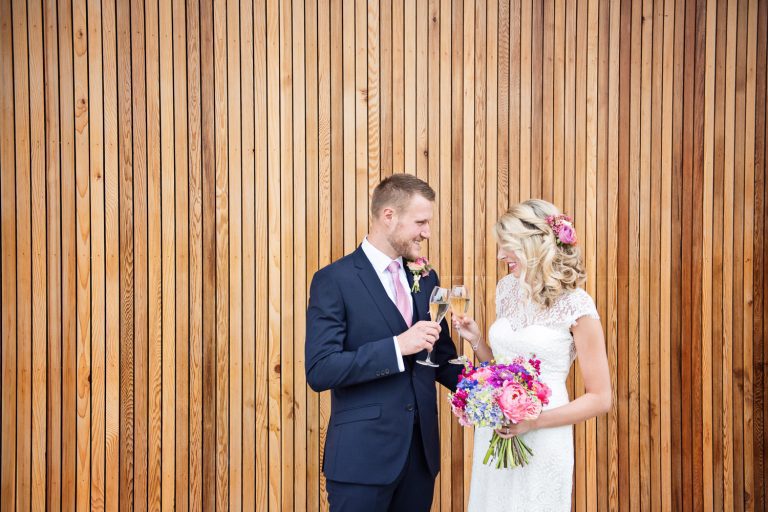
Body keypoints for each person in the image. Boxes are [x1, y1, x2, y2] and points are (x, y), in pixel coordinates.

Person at [305, 173, 463, 512]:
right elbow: (320, 370)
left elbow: (442, 358)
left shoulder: (427, 276)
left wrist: (495, 393)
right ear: (388, 216)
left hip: (420, 460)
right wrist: (396, 347)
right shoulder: (334, 280)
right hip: (361, 461)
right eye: (421, 222)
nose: (427, 232)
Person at [454, 199, 612, 511]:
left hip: (544, 436)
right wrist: (476, 342)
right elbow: (501, 370)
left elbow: (601, 398)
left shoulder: (577, 304)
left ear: (535, 243)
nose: (501, 255)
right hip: (497, 432)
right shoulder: (506, 290)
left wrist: (533, 423)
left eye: (507, 246)